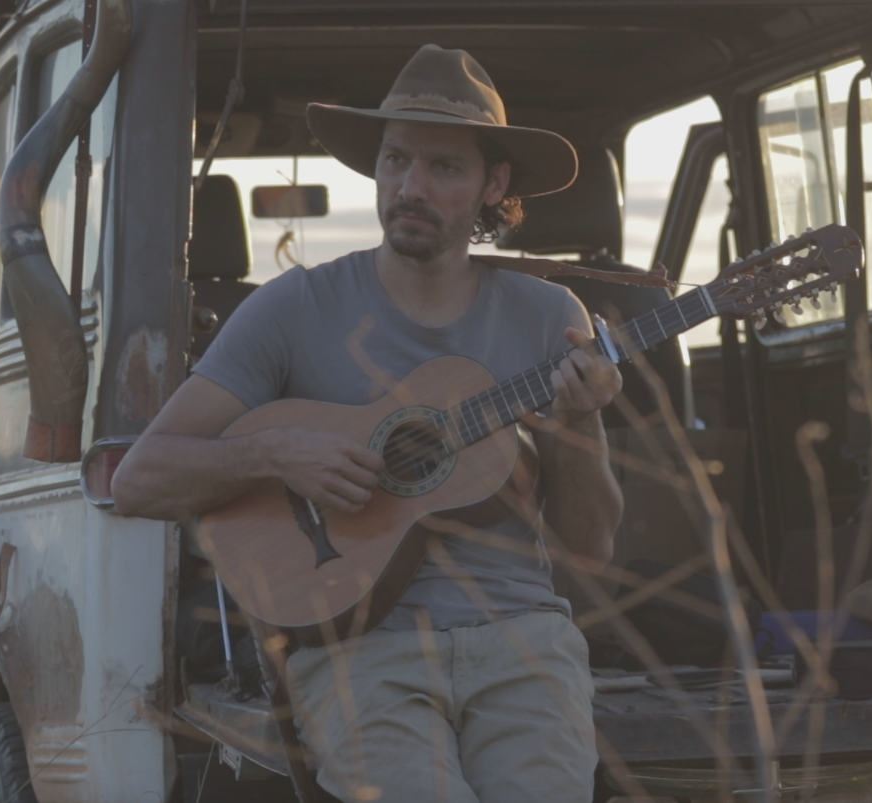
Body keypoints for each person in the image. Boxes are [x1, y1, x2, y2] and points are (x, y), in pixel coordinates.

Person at [112, 44, 622, 803]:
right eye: (395, 160)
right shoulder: (294, 309)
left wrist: (578, 425)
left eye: (444, 167)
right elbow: (137, 478)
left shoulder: (549, 317)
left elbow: (590, 545)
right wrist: (273, 452)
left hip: (522, 638)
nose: (410, 187)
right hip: (358, 647)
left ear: (494, 183)